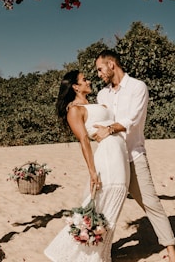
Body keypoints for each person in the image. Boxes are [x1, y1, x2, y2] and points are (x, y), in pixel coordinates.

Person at [94, 50, 175, 262]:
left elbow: (133, 119)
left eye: (99, 69)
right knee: (106, 206)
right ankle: (102, 251)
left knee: (150, 202)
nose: (98, 74)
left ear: (112, 64)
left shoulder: (137, 87)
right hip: (111, 159)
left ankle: (171, 250)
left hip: (134, 155)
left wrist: (110, 129)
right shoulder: (102, 95)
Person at [44, 70, 130, 262]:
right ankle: (81, 254)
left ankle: (99, 253)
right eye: (84, 80)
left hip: (119, 153)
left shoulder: (94, 102)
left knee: (115, 201)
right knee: (102, 201)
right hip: (107, 156)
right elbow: (84, 140)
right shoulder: (74, 109)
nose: (89, 81)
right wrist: (92, 171)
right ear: (75, 86)